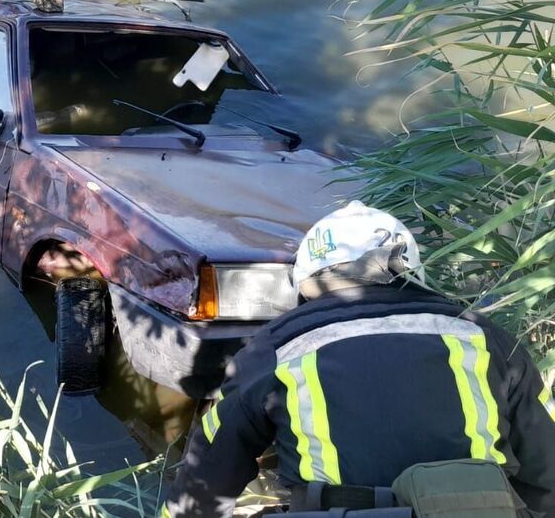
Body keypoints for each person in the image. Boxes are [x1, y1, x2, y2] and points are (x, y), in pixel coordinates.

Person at [162, 201, 555, 517]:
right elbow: (546, 467)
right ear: (411, 270)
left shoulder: (275, 348)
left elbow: (207, 474)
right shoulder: (486, 338)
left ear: (308, 278)